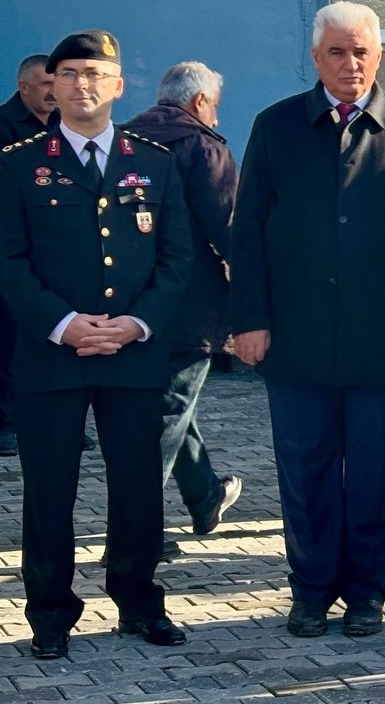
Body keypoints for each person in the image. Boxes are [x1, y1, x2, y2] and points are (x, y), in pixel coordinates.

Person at [229, 1, 385, 639]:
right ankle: (311, 590)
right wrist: (250, 318)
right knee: (305, 470)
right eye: (336, 52)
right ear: (315, 58)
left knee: (376, 474)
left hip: (383, 337)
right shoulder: (276, 126)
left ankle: (367, 592)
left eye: (361, 52)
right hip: (296, 336)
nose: (350, 64)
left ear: (379, 56)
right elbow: (248, 230)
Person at [0, 30, 194, 658]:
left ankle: (139, 601)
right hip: (52, 352)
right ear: (52, 86)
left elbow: (177, 257)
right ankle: (50, 613)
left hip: (134, 351)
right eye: (70, 73)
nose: (83, 84)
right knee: (50, 488)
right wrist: (62, 323)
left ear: (118, 86)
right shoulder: (19, 162)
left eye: (96, 73)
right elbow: (6, 259)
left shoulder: (154, 161)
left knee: (138, 485)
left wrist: (137, 324)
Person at [122, 61, 243, 562]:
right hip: (190, 305)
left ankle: (205, 494)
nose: (217, 117)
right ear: (199, 102)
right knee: (168, 410)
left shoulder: (121, 141)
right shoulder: (203, 146)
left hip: (126, 303)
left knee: (164, 406)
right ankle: (134, 533)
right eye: (215, 106)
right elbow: (228, 225)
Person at [0, 54, 58, 456]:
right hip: (13, 248)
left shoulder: (65, 124)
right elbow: (9, 182)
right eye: (45, 85)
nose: (53, 92)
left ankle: (57, 421)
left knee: (58, 335)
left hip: (60, 247)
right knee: (8, 338)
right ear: (24, 87)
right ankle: (5, 424)